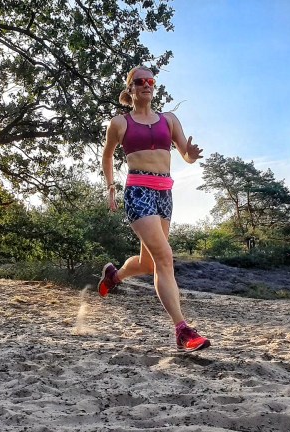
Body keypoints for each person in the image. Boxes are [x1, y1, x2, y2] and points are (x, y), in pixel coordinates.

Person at [98, 65, 210, 353]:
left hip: (164, 193)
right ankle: (182, 330)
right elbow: (107, 156)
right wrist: (110, 186)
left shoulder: (169, 120)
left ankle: (115, 276)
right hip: (138, 192)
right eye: (140, 81)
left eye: (150, 80)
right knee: (164, 257)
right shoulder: (120, 123)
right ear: (131, 88)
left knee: (149, 264)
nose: (146, 84)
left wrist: (190, 155)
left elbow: (185, 153)